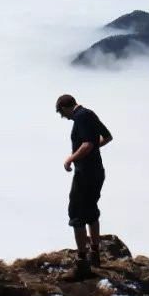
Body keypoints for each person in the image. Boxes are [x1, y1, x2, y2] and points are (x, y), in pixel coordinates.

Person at [56, 93, 113, 277]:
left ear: (65, 108)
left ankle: (82, 263)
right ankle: (95, 255)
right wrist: (93, 148)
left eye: (61, 113)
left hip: (85, 174)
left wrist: (70, 159)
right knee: (90, 209)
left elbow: (87, 144)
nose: (63, 117)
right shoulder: (89, 114)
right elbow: (107, 137)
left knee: (76, 213)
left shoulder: (80, 117)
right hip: (97, 172)